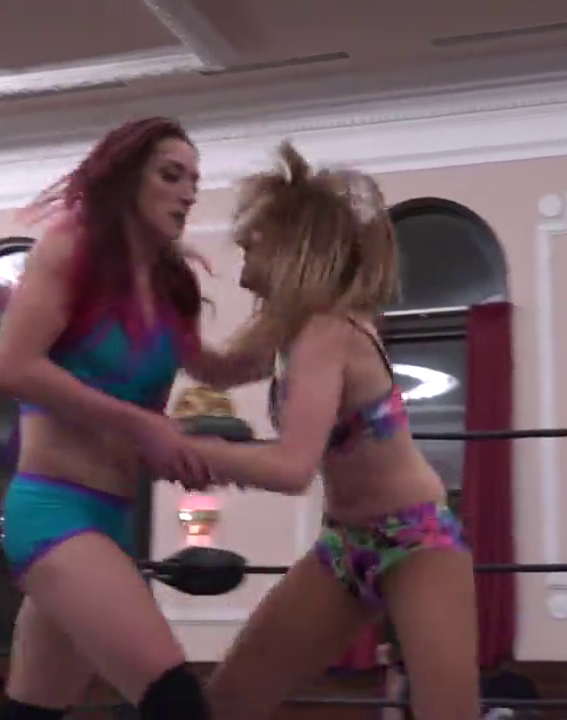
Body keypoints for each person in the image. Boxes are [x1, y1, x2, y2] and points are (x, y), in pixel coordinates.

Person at [179, 142, 479, 720]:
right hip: (345, 545)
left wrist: (189, 449)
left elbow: (292, 468)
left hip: (417, 540)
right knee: (228, 703)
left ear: (290, 247)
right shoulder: (289, 331)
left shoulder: (328, 333)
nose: (242, 264)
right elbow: (212, 368)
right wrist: (165, 297)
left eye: (251, 244)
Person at [0, 117, 273, 720]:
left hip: (115, 519)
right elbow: (12, 366)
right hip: (53, 512)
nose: (188, 194)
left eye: (194, 181)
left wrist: (301, 313)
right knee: (175, 701)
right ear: (124, 179)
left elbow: (218, 368)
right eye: (171, 176)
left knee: (31, 714)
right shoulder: (71, 248)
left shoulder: (171, 283)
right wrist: (144, 426)